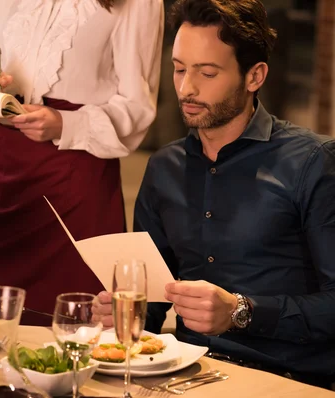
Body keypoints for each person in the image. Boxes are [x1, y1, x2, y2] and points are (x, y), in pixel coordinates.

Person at [93, 0, 335, 389]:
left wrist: (242, 312)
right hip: (184, 375)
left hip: (285, 379)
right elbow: (152, 303)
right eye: (178, 69)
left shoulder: (313, 162)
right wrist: (125, 312)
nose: (187, 88)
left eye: (207, 73)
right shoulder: (163, 167)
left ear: (254, 76)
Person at [0, 0, 165, 324]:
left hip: (74, 169)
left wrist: (64, 124)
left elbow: (137, 107)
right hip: (0, 165)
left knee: (75, 329)